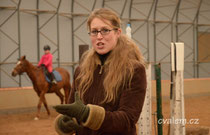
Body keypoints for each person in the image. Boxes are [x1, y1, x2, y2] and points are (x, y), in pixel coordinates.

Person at [53, 8, 146, 135]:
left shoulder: (133, 70)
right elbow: (73, 110)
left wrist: (87, 114)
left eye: (105, 30)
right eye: (94, 32)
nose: (99, 37)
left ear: (118, 32)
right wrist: (65, 123)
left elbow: (127, 119)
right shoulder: (81, 71)